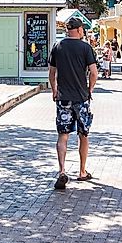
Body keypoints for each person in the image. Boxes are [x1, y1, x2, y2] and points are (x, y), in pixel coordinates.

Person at [48, 14, 98, 190]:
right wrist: (90, 89)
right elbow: (93, 72)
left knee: (63, 135)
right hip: (81, 98)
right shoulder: (86, 48)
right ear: (78, 30)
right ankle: (82, 171)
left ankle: (62, 171)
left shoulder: (58, 46)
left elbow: (52, 73)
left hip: (63, 99)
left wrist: (55, 91)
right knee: (83, 135)